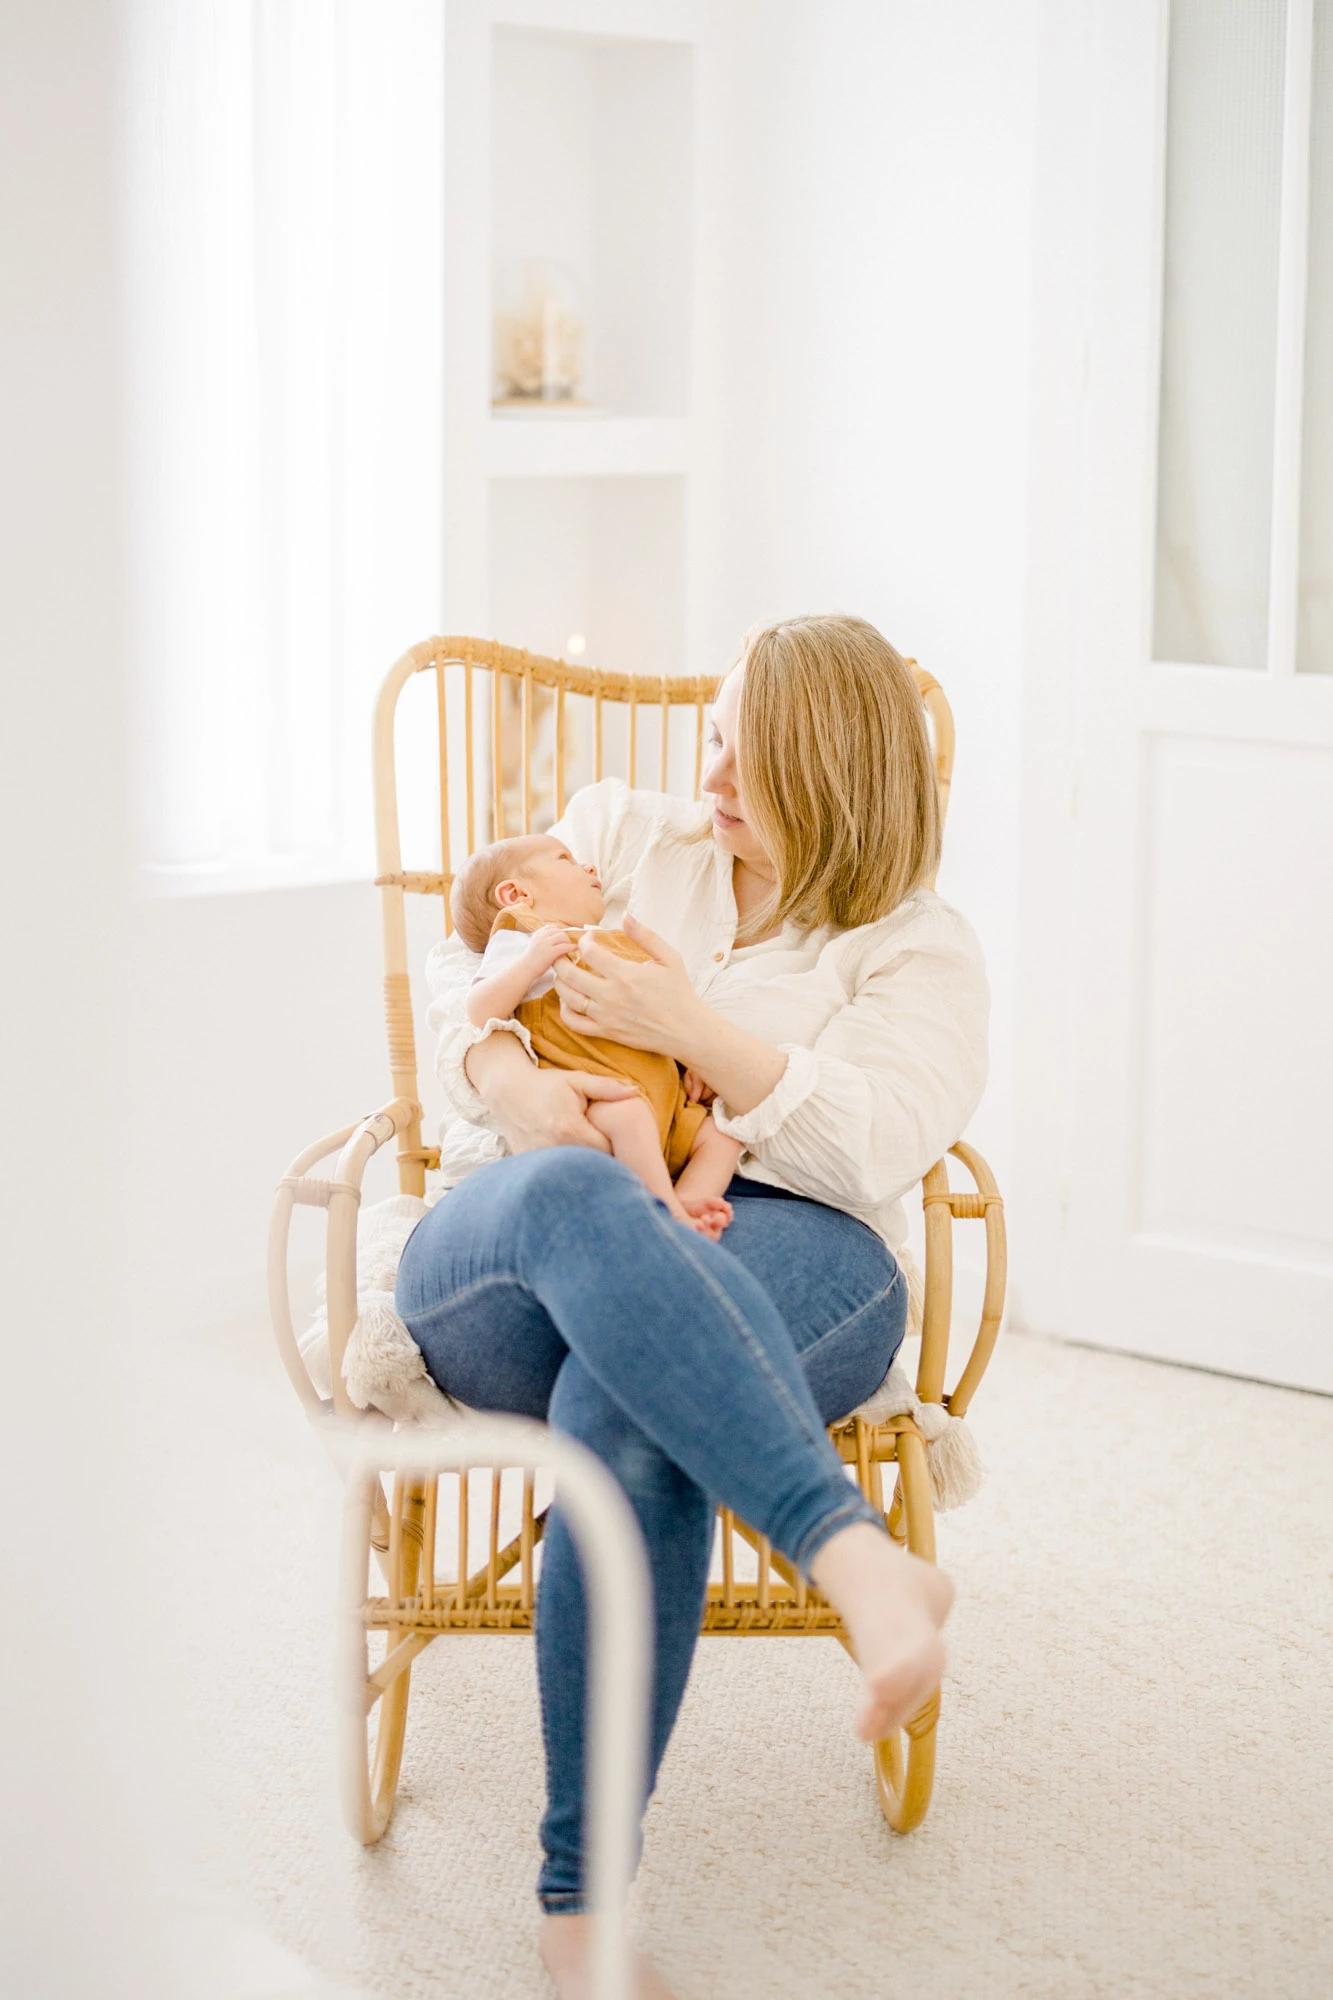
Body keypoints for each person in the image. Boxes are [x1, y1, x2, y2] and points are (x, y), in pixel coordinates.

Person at [397, 614, 989, 2000]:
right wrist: (515, 1091)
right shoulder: (621, 833)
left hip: (793, 1243)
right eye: (712, 733)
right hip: (523, 1230)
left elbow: (876, 1142)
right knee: (579, 1203)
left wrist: (692, 1035)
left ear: (836, 773)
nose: (707, 771)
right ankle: (855, 1562)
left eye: (746, 751)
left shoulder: (919, 949)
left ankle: (579, 1911)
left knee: (630, 1405)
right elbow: (460, 972)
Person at [451, 832, 743, 1236]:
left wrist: (692, 1060)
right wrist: (532, 964)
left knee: (724, 1134)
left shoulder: (613, 942)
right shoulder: (523, 939)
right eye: (565, 858)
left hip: (671, 1101)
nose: (589, 867)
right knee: (629, 1115)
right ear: (515, 894)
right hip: (601, 1098)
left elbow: (659, 1016)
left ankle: (693, 1202)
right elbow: (479, 1011)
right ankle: (666, 1216)